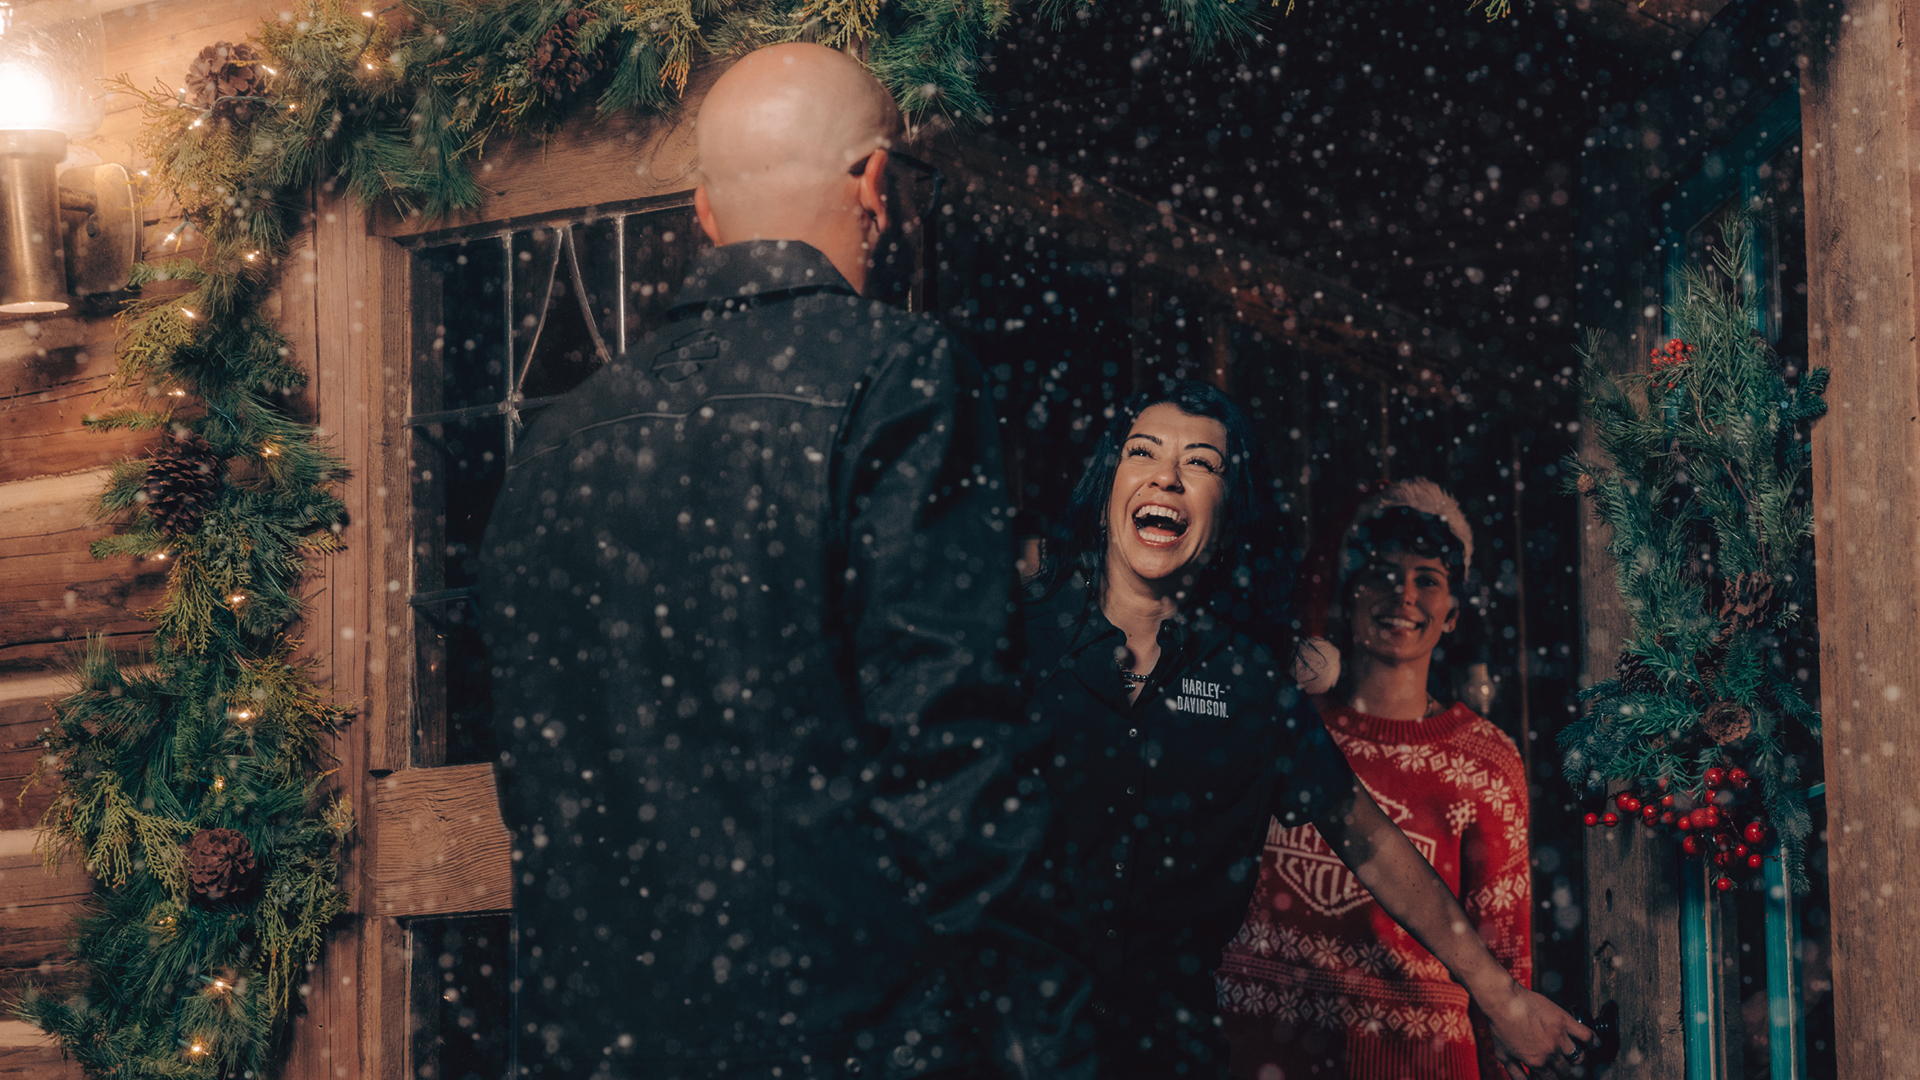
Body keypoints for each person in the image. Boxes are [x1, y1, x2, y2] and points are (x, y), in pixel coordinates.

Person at [478, 43, 1085, 1080]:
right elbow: (949, 751)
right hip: (842, 1033)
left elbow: (536, 774)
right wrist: (1042, 1040)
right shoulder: (903, 374)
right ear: (877, 185)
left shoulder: (559, 436)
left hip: (593, 1036)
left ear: (706, 211)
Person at [1006, 380, 1588, 1080]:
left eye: (1200, 462)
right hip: (998, 1036)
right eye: (1144, 452)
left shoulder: (1248, 680)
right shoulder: (1009, 641)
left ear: (1226, 510)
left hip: (1164, 1050)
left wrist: (1503, 998)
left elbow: (1366, 837)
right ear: (1110, 484)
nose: (1166, 474)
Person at [1217, 479, 1535, 1079]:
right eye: (1383, 573)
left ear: (1453, 613)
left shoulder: (1485, 761)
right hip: (1259, 1052)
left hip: (1416, 1063)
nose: (1403, 595)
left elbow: (1506, 952)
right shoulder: (1282, 728)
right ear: (1349, 590)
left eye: (1428, 580)